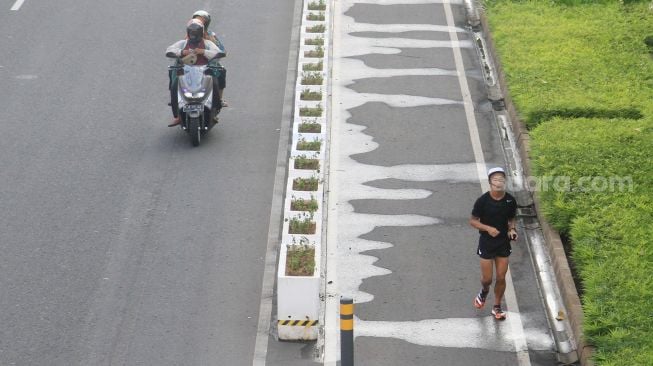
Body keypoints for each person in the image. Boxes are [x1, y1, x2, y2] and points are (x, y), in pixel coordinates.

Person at [469, 167, 518, 320]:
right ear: (490, 182)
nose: (499, 182)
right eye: (496, 179)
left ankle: (497, 306)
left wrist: (512, 229)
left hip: (503, 242)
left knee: (501, 277)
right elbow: (473, 221)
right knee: (487, 279)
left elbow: (511, 218)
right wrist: (488, 229)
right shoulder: (482, 201)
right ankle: (484, 291)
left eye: (501, 179)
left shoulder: (510, 200)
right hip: (486, 242)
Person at [166, 19, 223, 126]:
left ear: (201, 32)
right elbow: (169, 50)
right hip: (186, 72)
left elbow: (218, 52)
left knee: (214, 83)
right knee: (174, 86)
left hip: (204, 72)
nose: (194, 35)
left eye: (196, 32)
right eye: (192, 32)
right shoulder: (183, 43)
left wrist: (204, 52)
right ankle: (177, 115)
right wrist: (182, 52)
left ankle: (215, 110)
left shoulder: (208, 43)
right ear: (188, 32)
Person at [192, 10, 228, 107]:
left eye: (202, 21)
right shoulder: (189, 34)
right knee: (175, 73)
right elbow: (180, 49)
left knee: (221, 71)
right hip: (191, 65)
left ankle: (219, 100)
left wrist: (212, 43)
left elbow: (222, 51)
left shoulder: (211, 35)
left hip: (208, 64)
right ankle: (176, 102)